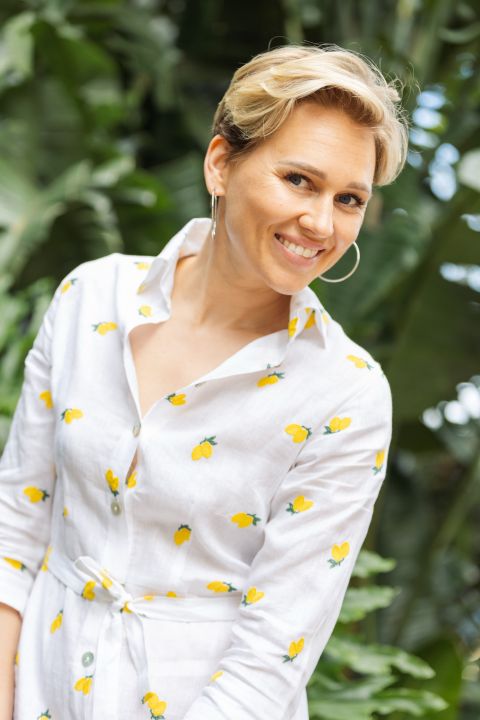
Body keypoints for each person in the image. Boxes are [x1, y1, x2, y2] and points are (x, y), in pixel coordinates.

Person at [0, 43, 408, 719]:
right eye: (299, 180)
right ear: (221, 164)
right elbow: (14, 526)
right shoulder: (91, 297)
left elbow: (271, 660)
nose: (321, 223)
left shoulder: (346, 394)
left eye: (348, 199)